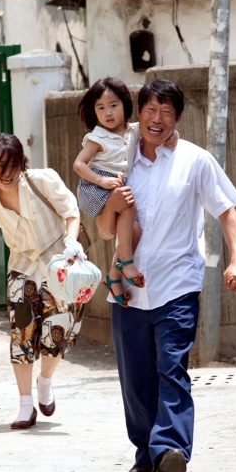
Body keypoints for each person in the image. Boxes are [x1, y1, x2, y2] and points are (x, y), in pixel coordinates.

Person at [96, 79, 236, 472]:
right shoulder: (119, 159)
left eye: (166, 112)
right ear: (138, 113)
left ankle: (171, 451)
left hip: (177, 285)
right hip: (126, 287)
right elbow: (103, 221)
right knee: (135, 377)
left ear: (177, 118)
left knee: (172, 368)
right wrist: (106, 206)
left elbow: (228, 213)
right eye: (150, 109)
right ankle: (147, 454)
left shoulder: (195, 161)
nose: (157, 119)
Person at [0, 133, 84, 430]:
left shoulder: (42, 181)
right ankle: (24, 404)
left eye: (11, 165)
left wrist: (71, 245)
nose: (4, 174)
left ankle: (45, 381)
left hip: (58, 265)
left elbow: (71, 213)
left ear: (22, 164)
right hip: (22, 271)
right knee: (21, 335)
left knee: (56, 333)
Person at [72, 77, 145, 306]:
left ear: (125, 104)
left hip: (115, 185)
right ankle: (125, 260)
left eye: (113, 105)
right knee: (128, 203)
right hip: (96, 187)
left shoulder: (135, 130)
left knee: (134, 230)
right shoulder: (98, 136)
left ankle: (113, 276)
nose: (108, 113)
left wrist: (173, 136)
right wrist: (101, 181)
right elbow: (79, 164)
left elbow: (158, 132)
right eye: (100, 108)